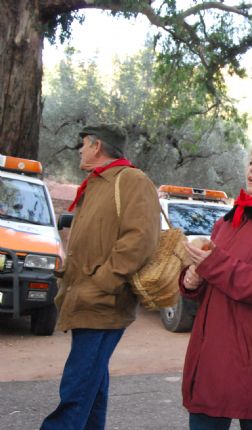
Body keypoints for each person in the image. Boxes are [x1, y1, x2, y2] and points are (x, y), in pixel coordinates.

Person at [41, 124, 160, 430]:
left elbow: (140, 241)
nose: (79, 150)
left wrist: (100, 284)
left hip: (103, 301)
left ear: (96, 146)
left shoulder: (131, 180)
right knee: (91, 385)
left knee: (75, 390)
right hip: (86, 298)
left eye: (83, 144)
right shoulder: (97, 183)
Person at [180, 135, 252, 430]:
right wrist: (193, 281)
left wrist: (211, 264)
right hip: (211, 356)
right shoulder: (229, 220)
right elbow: (215, 276)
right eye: (251, 162)